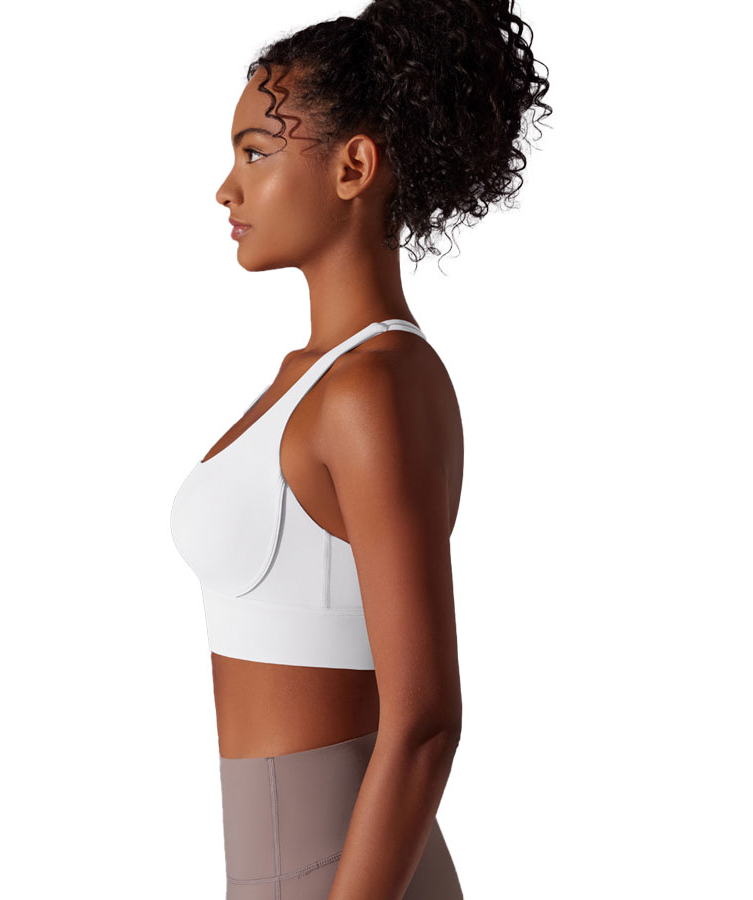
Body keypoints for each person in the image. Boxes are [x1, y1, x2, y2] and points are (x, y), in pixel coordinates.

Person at [170, 1, 551, 897]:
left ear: (353, 167)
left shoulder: (372, 389)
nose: (226, 189)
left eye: (255, 152)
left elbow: (424, 719)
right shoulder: (311, 379)